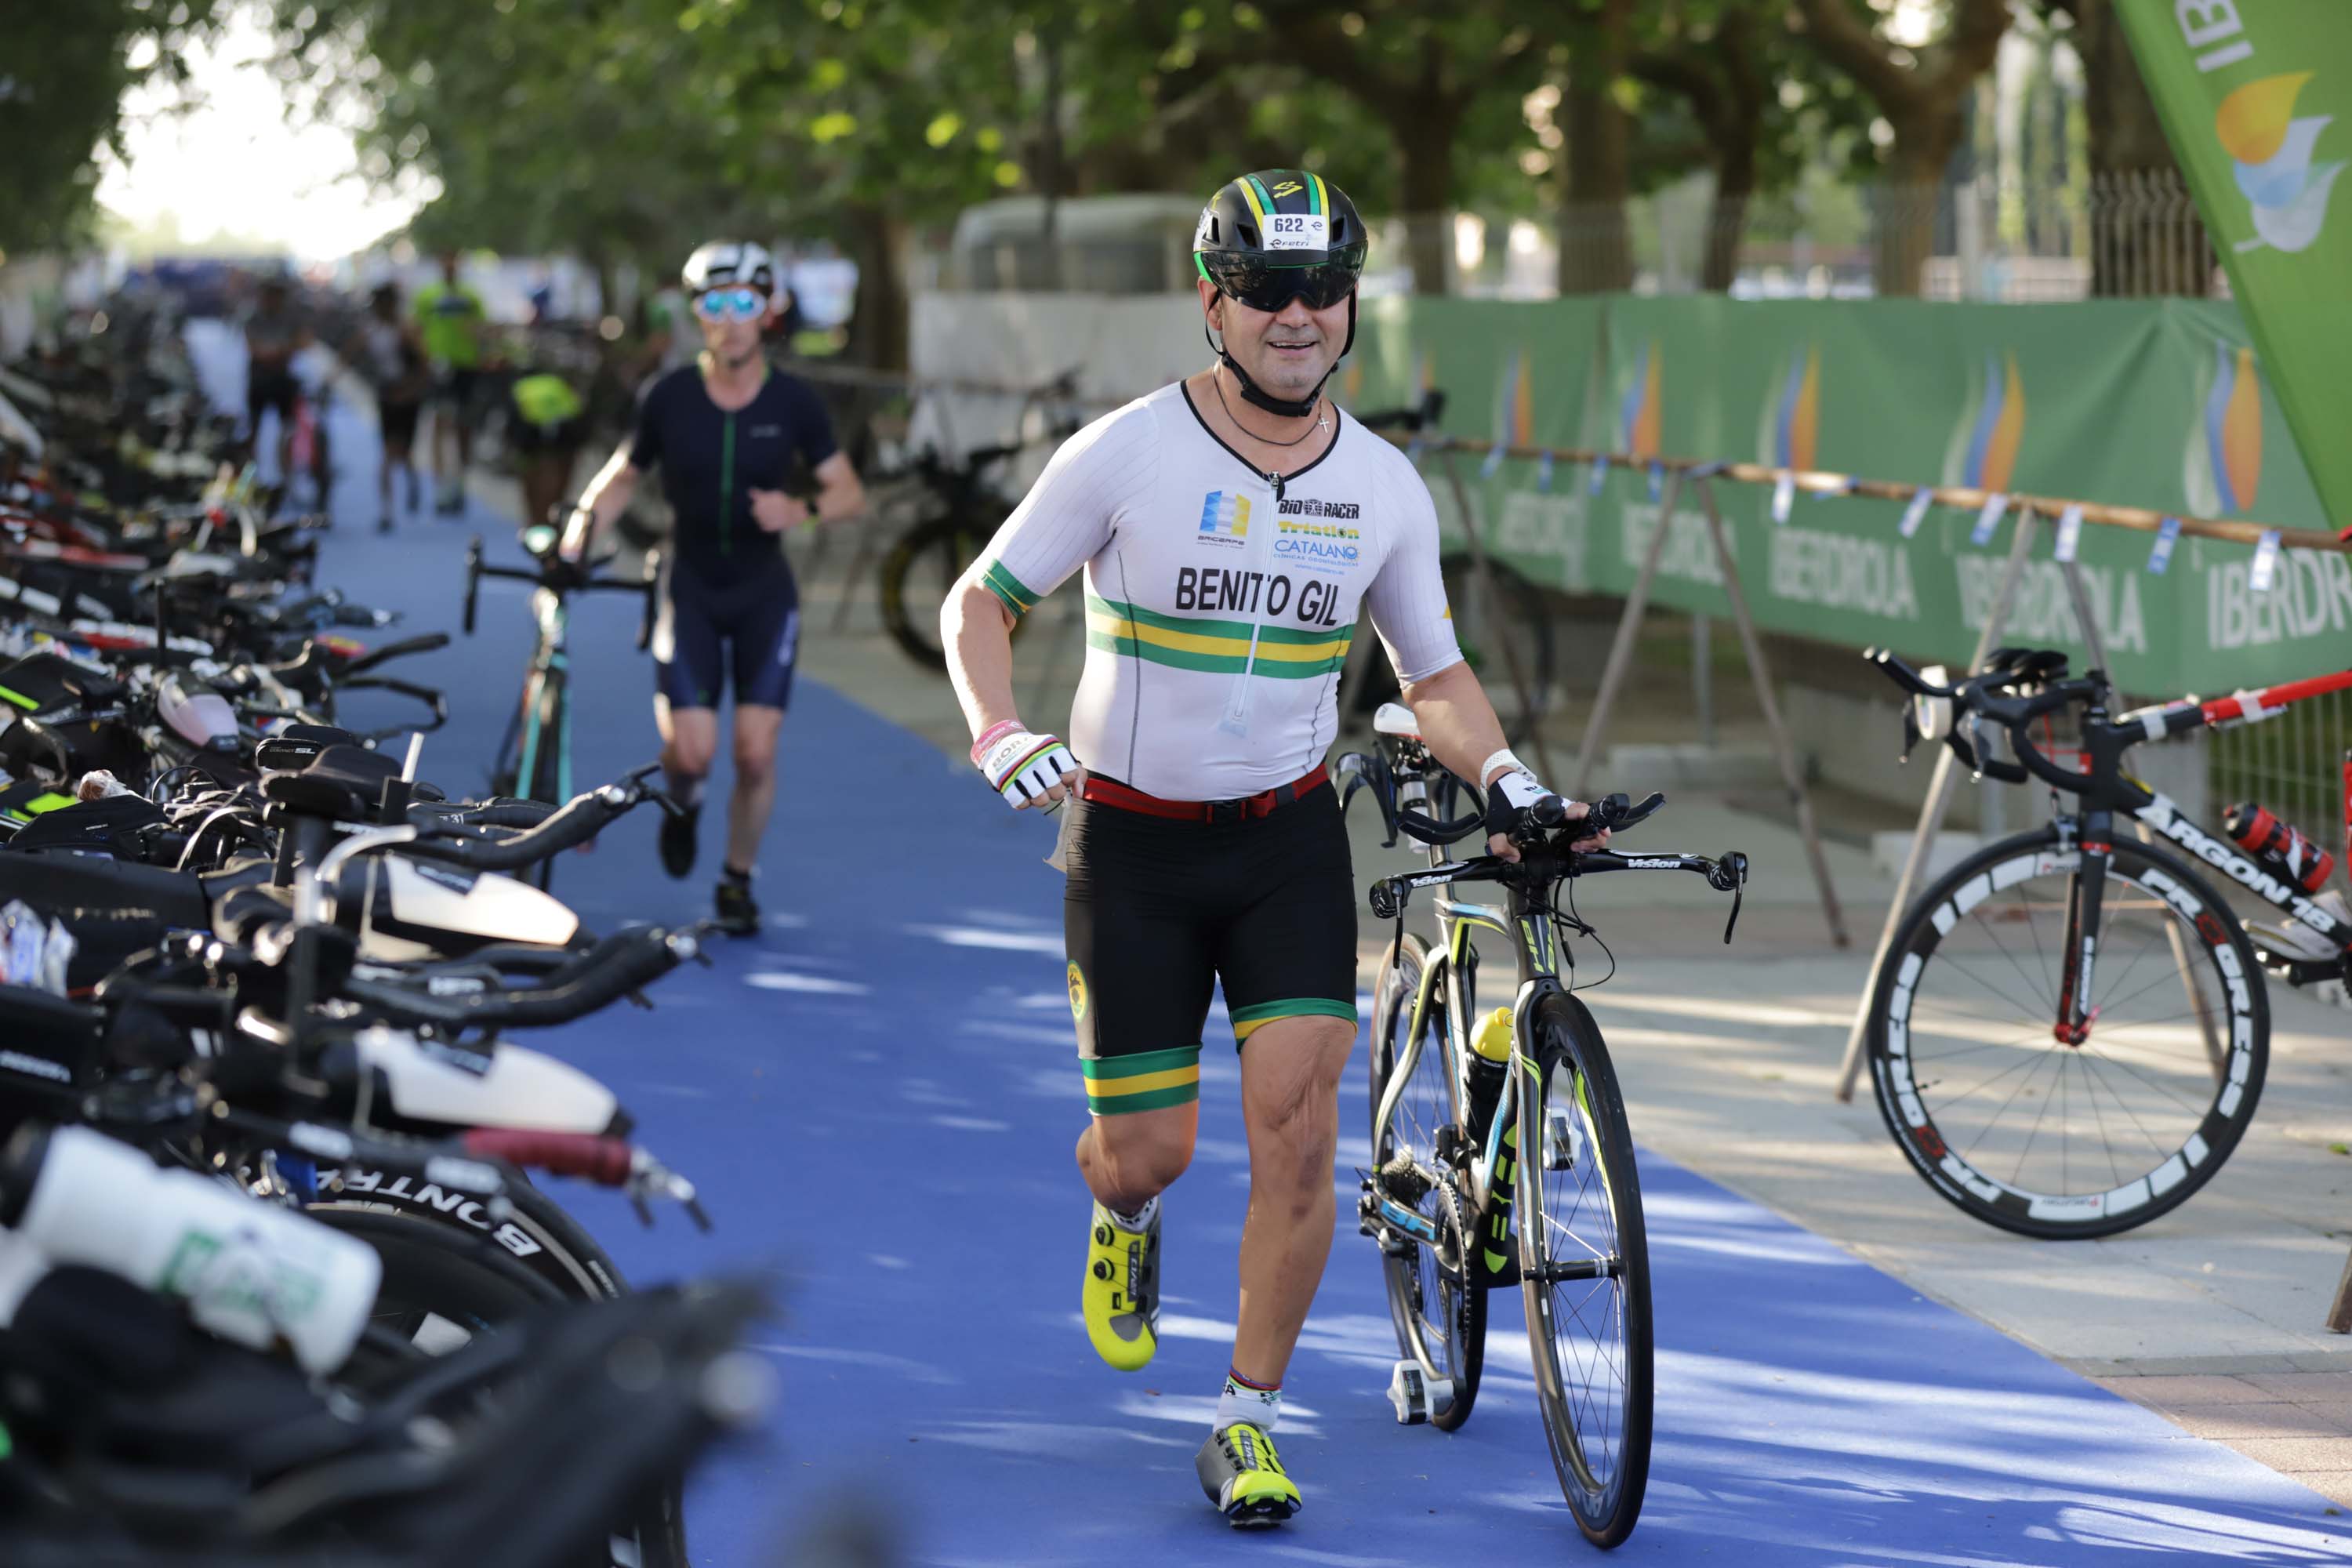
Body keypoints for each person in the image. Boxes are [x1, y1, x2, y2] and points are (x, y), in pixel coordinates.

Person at [938, 170, 1606, 1529]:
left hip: (1286, 841)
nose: (1296, 315)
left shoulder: (1384, 486)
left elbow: (1435, 676)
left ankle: (1247, 1418)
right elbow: (980, 604)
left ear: (1352, 305)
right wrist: (997, 730)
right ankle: (1120, 1217)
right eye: (1265, 290)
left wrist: (1512, 772)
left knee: (1300, 1138)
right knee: (1150, 1154)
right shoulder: (1124, 450)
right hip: (1126, 843)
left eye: (1321, 290)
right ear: (1215, 304)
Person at [562, 241, 865, 935]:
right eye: (714, 306)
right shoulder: (668, 396)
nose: (731, 322)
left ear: (769, 311)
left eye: (745, 305)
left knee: (755, 752)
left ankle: (735, 879)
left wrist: (802, 510)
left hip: (763, 591)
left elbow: (847, 492)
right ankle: (687, 801)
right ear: (697, 315)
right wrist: (578, 535)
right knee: (691, 753)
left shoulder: (795, 401)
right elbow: (623, 476)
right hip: (690, 587)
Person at [345, 281, 430, 532]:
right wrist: (330, 378)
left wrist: (411, 389)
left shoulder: (407, 330)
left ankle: (412, 481)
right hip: (387, 396)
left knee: (404, 453)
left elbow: (425, 365)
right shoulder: (371, 331)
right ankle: (386, 510)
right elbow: (348, 354)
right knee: (387, 454)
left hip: (409, 397)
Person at [412, 251, 488, 514]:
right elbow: (416, 330)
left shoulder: (471, 296)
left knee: (463, 427)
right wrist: (426, 359)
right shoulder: (427, 296)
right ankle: (441, 486)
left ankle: (460, 483)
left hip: (466, 367)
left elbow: (480, 328)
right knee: (439, 424)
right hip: (439, 369)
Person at [506, 288, 589, 533]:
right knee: (548, 469)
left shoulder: (551, 334)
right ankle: (544, 523)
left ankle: (540, 523)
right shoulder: (552, 334)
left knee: (539, 469)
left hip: (545, 421)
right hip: (541, 421)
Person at [241, 272, 312, 498]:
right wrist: (278, 351)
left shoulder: (291, 319)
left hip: (282, 383)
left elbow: (303, 342)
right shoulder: (254, 318)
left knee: (288, 431)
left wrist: (277, 351)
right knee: (254, 432)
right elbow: (255, 349)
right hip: (260, 381)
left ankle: (287, 479)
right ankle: (252, 480)